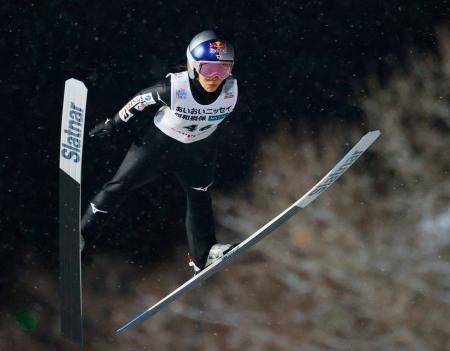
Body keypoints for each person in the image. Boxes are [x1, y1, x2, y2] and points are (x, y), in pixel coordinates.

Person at [81, 30, 238, 274]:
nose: (215, 76)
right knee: (118, 186)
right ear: (193, 65)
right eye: (208, 69)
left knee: (200, 197)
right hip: (158, 146)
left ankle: (203, 254)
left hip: (197, 151)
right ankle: (82, 236)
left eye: (224, 69)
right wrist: (113, 123)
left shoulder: (232, 90)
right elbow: (138, 101)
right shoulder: (173, 88)